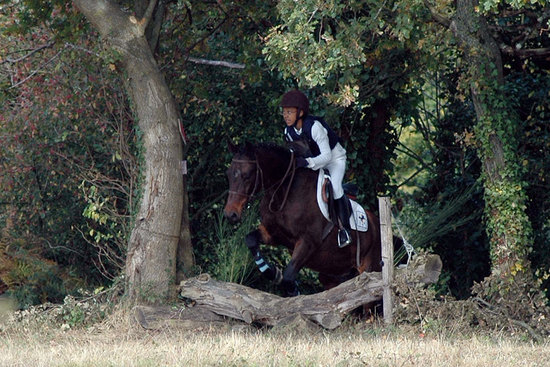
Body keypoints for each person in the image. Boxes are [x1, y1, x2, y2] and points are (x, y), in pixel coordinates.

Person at [280, 89, 352, 248]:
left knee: (336, 187)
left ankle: (344, 230)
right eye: (284, 112)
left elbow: (326, 157)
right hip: (313, 163)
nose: (286, 116)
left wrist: (306, 163)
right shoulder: (288, 132)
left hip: (334, 160)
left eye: (290, 112)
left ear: (300, 113)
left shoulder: (314, 127)